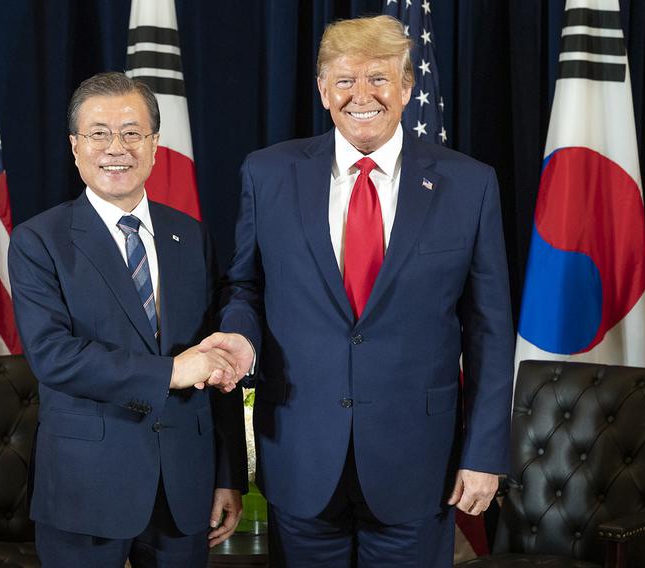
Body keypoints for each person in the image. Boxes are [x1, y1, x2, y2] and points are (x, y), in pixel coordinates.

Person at [201, 15, 514, 567]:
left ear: (407, 87)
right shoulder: (267, 174)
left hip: (418, 462)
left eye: (379, 79)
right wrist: (239, 340)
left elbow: (488, 328)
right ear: (323, 90)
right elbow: (244, 286)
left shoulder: (469, 183)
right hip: (300, 454)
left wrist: (485, 453)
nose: (361, 95)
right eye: (344, 80)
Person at [8, 71, 247, 567]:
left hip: (185, 485)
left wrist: (227, 474)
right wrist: (172, 373)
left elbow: (215, 353)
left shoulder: (192, 237)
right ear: (76, 147)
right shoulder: (39, 241)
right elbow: (53, 356)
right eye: (98, 133)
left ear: (155, 145)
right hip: (86, 486)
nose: (116, 147)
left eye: (132, 132)